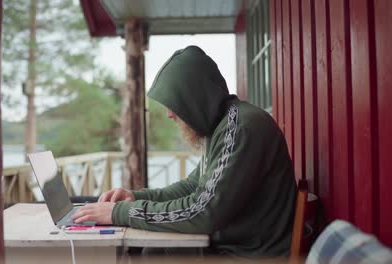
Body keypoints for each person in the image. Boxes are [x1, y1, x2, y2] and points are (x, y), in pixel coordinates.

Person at [71, 45, 297, 257]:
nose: (170, 114)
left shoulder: (240, 129)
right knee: (154, 251)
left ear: (194, 98)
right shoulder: (223, 125)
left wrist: (119, 213)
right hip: (236, 245)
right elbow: (192, 187)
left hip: (251, 255)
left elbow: (203, 213)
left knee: (152, 252)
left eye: (174, 103)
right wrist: (135, 197)